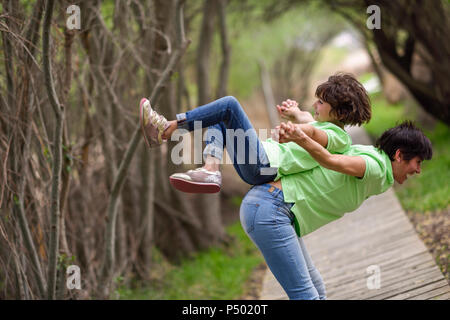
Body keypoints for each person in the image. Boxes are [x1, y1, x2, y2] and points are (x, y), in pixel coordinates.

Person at [237, 120, 432, 299]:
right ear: (399, 155)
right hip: (271, 209)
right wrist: (301, 138)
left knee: (317, 290)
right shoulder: (374, 166)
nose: (418, 170)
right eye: (418, 162)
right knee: (307, 295)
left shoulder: (374, 160)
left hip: (273, 207)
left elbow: (328, 138)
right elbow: (331, 160)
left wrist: (300, 117)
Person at [140, 73, 372, 193]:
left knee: (229, 105)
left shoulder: (339, 138)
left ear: (340, 113)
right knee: (218, 118)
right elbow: (306, 118)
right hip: (261, 167)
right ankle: (211, 170)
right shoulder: (323, 124)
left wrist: (295, 129)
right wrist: (294, 113)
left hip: (265, 166)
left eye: (321, 102)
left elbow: (311, 131)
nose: (315, 105)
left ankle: (167, 127)